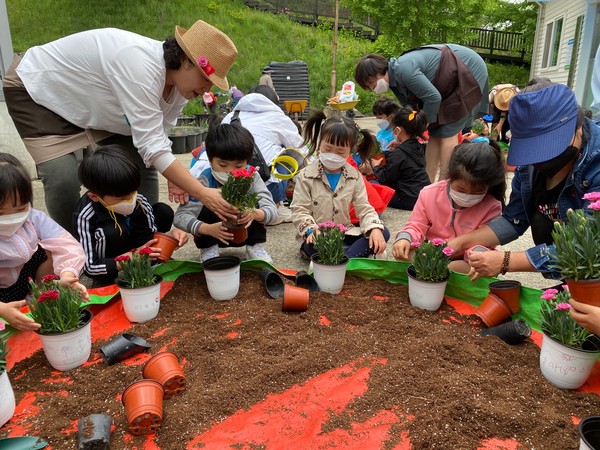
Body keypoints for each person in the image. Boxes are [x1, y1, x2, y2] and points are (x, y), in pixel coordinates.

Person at [2, 20, 239, 235]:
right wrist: (202, 192)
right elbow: (153, 147)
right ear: (186, 60)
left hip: (97, 105)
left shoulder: (180, 87)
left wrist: (176, 177)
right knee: (62, 178)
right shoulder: (139, 66)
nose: (208, 90)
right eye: (207, 79)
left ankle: (143, 240)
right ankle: (75, 254)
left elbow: (158, 138)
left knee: (138, 165)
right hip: (40, 91)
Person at [451, 83, 600, 280]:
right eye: (534, 151)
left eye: (550, 148)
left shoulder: (595, 165)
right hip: (575, 270)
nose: (540, 160)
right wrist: (459, 243)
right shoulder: (529, 166)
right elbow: (513, 221)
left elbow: (591, 247)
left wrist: (506, 261)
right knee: (542, 222)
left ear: (578, 126)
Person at [355, 45, 489, 183]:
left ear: (379, 71)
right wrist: (404, 137)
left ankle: (444, 185)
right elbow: (414, 110)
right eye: (369, 86)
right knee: (435, 132)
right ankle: (427, 184)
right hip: (446, 83)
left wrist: (425, 124)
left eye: (371, 82)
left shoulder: (403, 69)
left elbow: (433, 98)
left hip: (467, 68)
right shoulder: (395, 82)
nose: (373, 88)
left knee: (448, 130)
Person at [74, 145, 188, 288]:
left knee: (163, 211)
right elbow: (89, 266)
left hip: (133, 242)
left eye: (133, 192)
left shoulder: (138, 200)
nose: (130, 201)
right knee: (111, 231)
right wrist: (127, 259)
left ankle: (149, 263)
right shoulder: (86, 216)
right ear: (95, 196)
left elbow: (148, 235)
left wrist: (168, 235)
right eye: (121, 198)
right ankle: (105, 278)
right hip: (110, 254)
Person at [192, 85, 308, 224]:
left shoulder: (230, 116)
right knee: (288, 157)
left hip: (219, 195)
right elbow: (302, 153)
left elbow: (213, 149)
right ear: (273, 102)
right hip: (263, 193)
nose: (230, 171)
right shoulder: (277, 117)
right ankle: (277, 205)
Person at [0, 153, 88, 331]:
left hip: (24, 281)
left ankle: (37, 296)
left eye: (20, 208)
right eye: (1, 213)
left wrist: (67, 275)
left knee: (47, 249)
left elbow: (66, 244)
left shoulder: (33, 218)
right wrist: (1, 309)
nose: (11, 218)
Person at [392, 140, 505, 273]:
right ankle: (436, 271)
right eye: (461, 190)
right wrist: (405, 238)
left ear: (489, 186)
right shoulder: (429, 193)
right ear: (450, 177)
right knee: (402, 253)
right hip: (431, 254)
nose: (468, 196)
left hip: (464, 260)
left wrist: (478, 257)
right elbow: (416, 225)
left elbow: (482, 243)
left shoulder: (491, 206)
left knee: (481, 268)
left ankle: (435, 272)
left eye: (478, 192)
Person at [291, 111, 390, 260]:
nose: (333, 155)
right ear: (320, 144)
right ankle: (349, 257)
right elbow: (299, 209)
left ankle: (339, 260)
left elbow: (364, 207)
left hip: (345, 233)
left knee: (383, 232)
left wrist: (374, 228)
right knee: (313, 246)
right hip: (317, 236)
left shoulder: (354, 176)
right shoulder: (306, 175)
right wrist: (311, 230)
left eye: (340, 152)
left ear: (350, 151)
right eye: (328, 149)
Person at [174, 122, 277, 263]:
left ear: (248, 161)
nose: (230, 172)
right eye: (222, 165)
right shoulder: (204, 181)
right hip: (214, 233)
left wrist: (253, 214)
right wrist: (207, 229)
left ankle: (254, 247)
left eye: (239, 165)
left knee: (255, 204)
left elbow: (272, 210)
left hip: (244, 233)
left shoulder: (252, 177)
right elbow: (180, 217)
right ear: (209, 160)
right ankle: (209, 248)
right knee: (206, 203)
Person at [370, 105, 431, 210]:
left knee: (372, 185)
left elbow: (386, 178)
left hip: (407, 200)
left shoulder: (398, 154)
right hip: (423, 197)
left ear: (397, 130)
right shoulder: (420, 147)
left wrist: (375, 167)